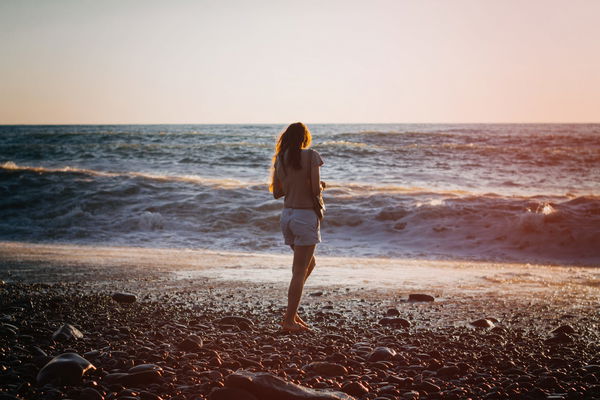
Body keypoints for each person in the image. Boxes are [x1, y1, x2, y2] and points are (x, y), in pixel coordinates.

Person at [270, 122, 325, 332]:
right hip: (304, 216)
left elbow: (277, 193)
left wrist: (294, 185)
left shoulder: (281, 159)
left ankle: (291, 314)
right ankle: (288, 321)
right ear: (305, 138)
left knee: (307, 266)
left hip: (287, 217)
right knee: (299, 271)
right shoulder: (311, 156)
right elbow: (314, 188)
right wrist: (322, 186)